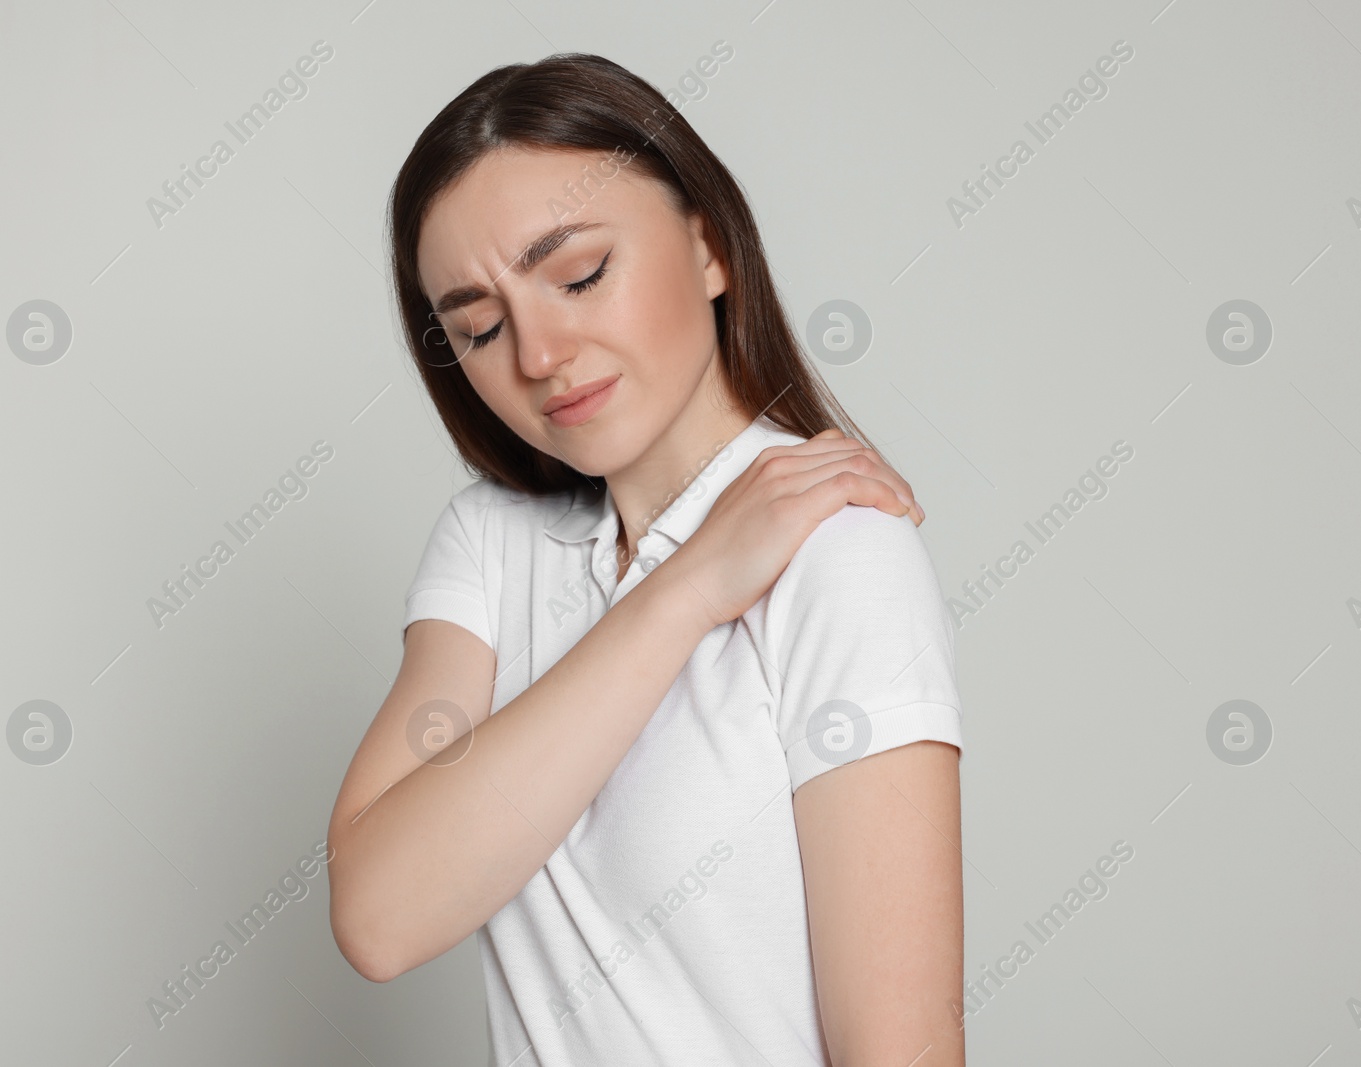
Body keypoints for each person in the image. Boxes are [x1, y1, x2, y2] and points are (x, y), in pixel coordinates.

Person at [327, 52, 966, 1066]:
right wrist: (686, 588)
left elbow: (899, 1049)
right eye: (480, 328)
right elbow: (379, 912)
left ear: (709, 248)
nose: (537, 353)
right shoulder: (490, 546)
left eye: (578, 274)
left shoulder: (842, 553)